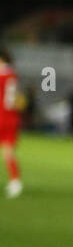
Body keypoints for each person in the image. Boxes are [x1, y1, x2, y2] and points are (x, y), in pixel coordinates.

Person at [0, 48, 23, 198]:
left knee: (7, 151)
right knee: (8, 151)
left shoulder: (1, 75)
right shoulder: (13, 74)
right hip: (12, 117)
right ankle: (15, 182)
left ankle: (15, 183)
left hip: (1, 116)